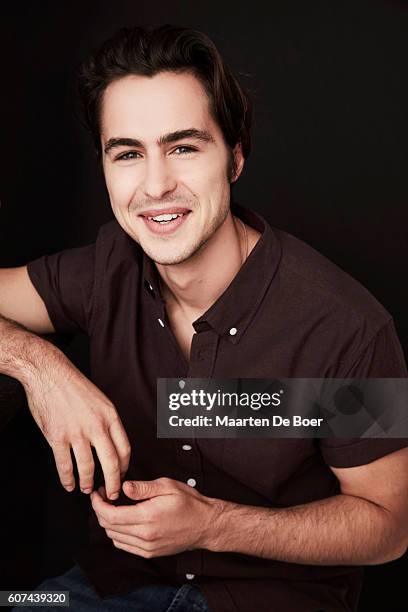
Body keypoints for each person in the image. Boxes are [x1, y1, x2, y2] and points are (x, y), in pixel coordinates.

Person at [1, 24, 407, 612]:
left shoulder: (349, 329)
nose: (157, 184)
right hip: (107, 590)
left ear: (235, 157)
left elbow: (389, 527)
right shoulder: (106, 269)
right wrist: (40, 367)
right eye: (129, 154)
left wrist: (214, 525)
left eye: (184, 147)